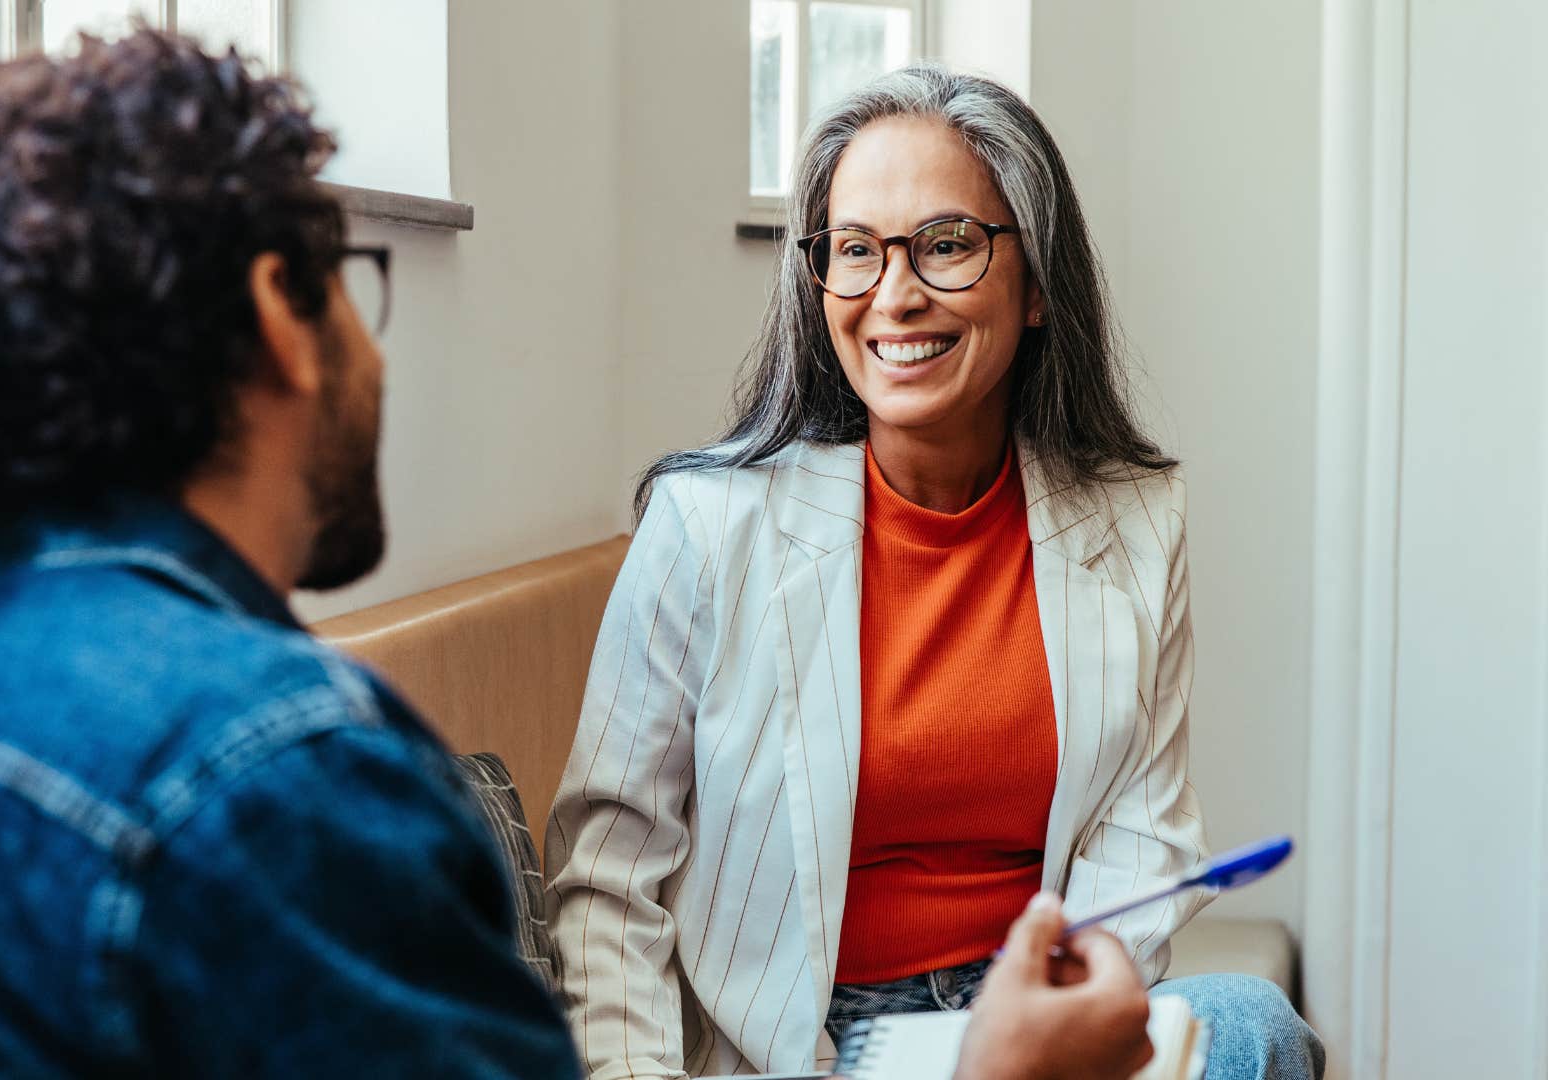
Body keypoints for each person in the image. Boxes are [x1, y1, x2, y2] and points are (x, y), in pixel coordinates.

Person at [0, 32, 1208, 1080]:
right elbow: (610, 891)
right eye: (351, 283)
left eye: (946, 246)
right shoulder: (286, 779)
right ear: (278, 313)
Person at [546, 63, 1324, 1079]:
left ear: (1038, 282)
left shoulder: (1137, 520)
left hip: (1031, 1015)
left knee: (1252, 1026)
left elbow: (1144, 838)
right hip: (814, 1044)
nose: (895, 297)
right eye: (855, 252)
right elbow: (607, 878)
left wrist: (1031, 1041)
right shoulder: (705, 525)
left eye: (947, 245)